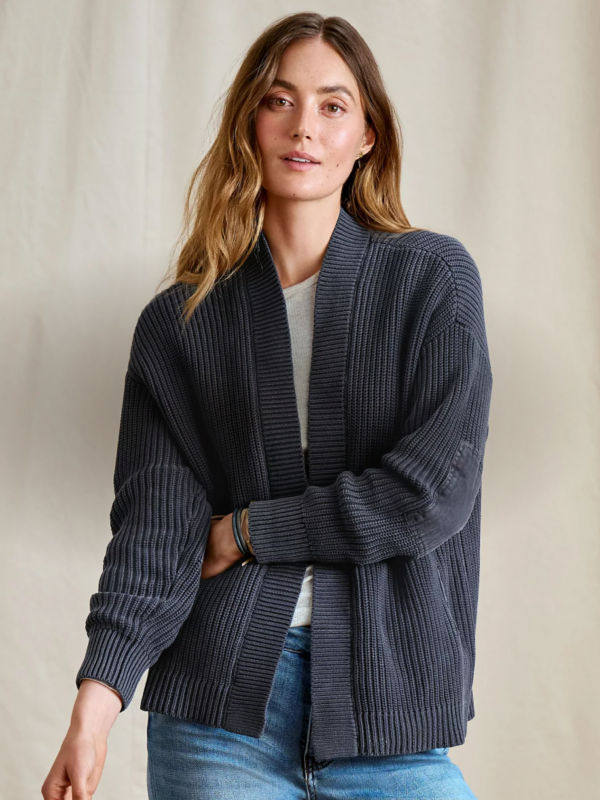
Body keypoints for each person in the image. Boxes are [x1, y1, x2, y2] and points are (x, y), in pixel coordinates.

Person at [42, 12, 493, 800]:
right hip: (220, 716)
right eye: (280, 101)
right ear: (248, 124)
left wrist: (250, 530)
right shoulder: (182, 325)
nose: (304, 128)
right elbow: (154, 531)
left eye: (332, 105)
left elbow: (430, 494)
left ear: (368, 137)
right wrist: (94, 707)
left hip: (392, 715)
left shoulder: (431, 282)